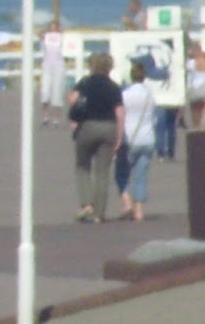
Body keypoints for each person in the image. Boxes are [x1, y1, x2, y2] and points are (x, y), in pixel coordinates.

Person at [69, 53, 124, 223]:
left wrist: (74, 118)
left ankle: (86, 204)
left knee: (82, 166)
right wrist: (119, 136)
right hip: (109, 127)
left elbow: (72, 99)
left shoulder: (85, 83)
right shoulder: (114, 87)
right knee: (102, 172)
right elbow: (120, 113)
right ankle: (99, 213)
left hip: (88, 126)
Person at [116, 62, 156, 222]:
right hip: (148, 137)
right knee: (141, 175)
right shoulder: (149, 95)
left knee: (122, 172)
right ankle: (139, 209)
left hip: (130, 137)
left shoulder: (125, 95)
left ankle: (126, 202)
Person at [39, 21, 67, 126]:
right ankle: (45, 117)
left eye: (55, 27)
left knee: (57, 92)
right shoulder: (45, 37)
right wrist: (47, 32)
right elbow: (39, 33)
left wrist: (60, 31)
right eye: (52, 27)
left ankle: (56, 118)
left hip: (59, 65)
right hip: (47, 65)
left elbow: (65, 34)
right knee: (45, 92)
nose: (53, 29)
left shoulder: (61, 37)